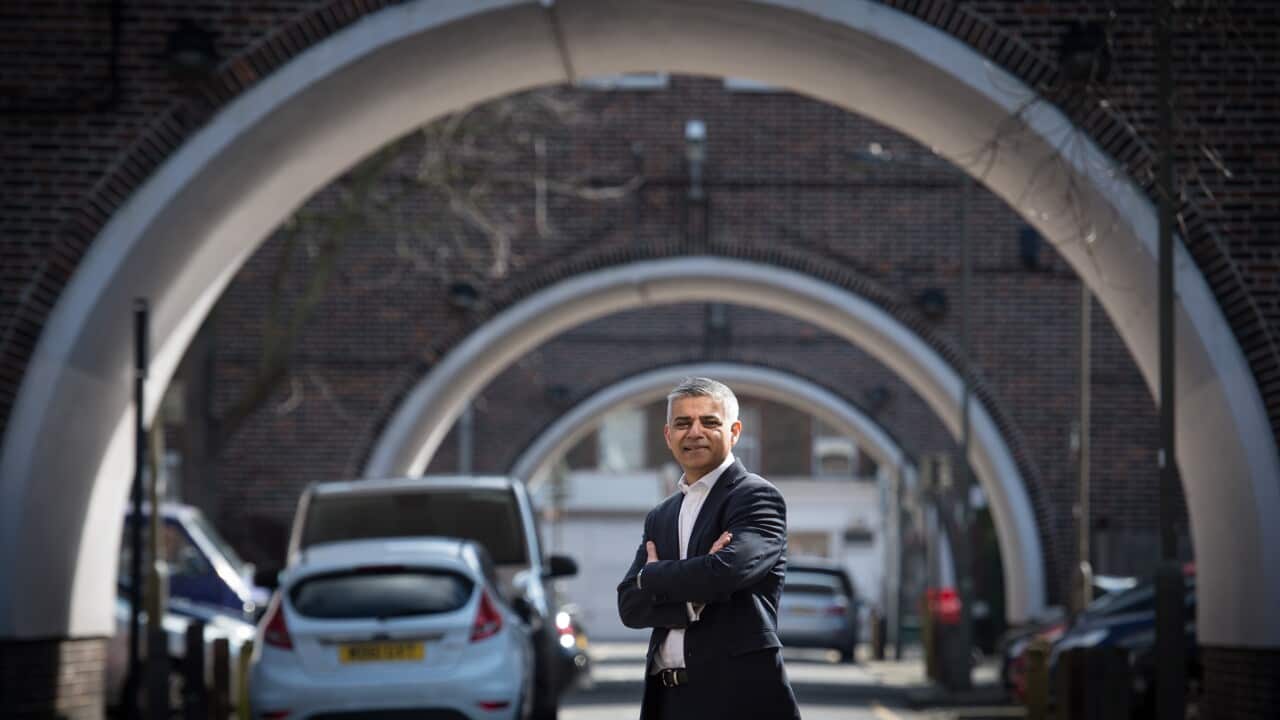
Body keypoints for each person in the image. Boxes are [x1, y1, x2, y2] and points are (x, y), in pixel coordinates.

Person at [617, 377, 801, 720]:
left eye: (710, 422)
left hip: (737, 700)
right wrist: (692, 597)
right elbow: (629, 604)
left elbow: (727, 572)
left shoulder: (755, 497)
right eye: (683, 423)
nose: (695, 432)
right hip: (668, 701)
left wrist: (654, 575)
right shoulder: (661, 515)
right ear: (668, 435)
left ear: (734, 432)